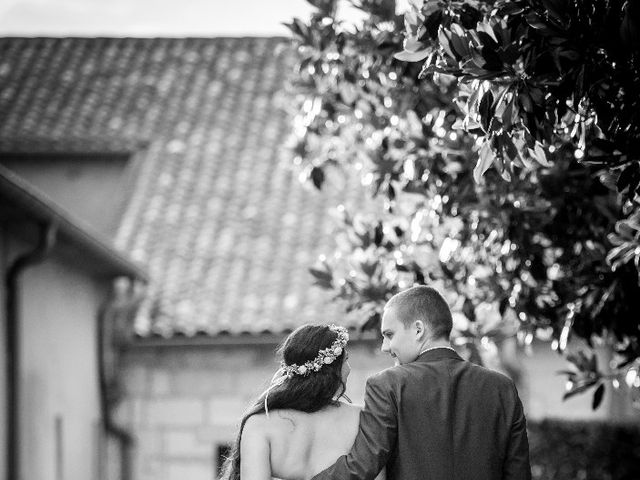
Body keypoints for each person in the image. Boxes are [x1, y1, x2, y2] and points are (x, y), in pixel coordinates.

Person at [311, 285, 532, 480]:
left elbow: (361, 467)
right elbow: (518, 473)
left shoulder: (388, 385)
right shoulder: (502, 387)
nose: (385, 347)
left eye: (389, 334)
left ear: (418, 329)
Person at [219, 323, 385, 480]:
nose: (349, 368)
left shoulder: (259, 423)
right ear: (332, 369)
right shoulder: (362, 418)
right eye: (346, 360)